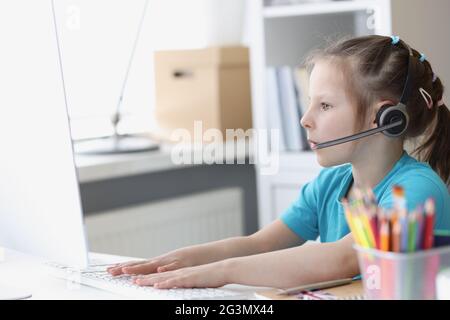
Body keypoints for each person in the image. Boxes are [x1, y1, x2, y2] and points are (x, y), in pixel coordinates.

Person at [107, 35, 450, 289]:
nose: (305, 119)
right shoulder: (331, 185)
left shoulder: (415, 190)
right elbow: (259, 244)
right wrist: (179, 261)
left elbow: (343, 259)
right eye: (309, 103)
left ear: (385, 118)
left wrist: (222, 272)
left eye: (325, 106)